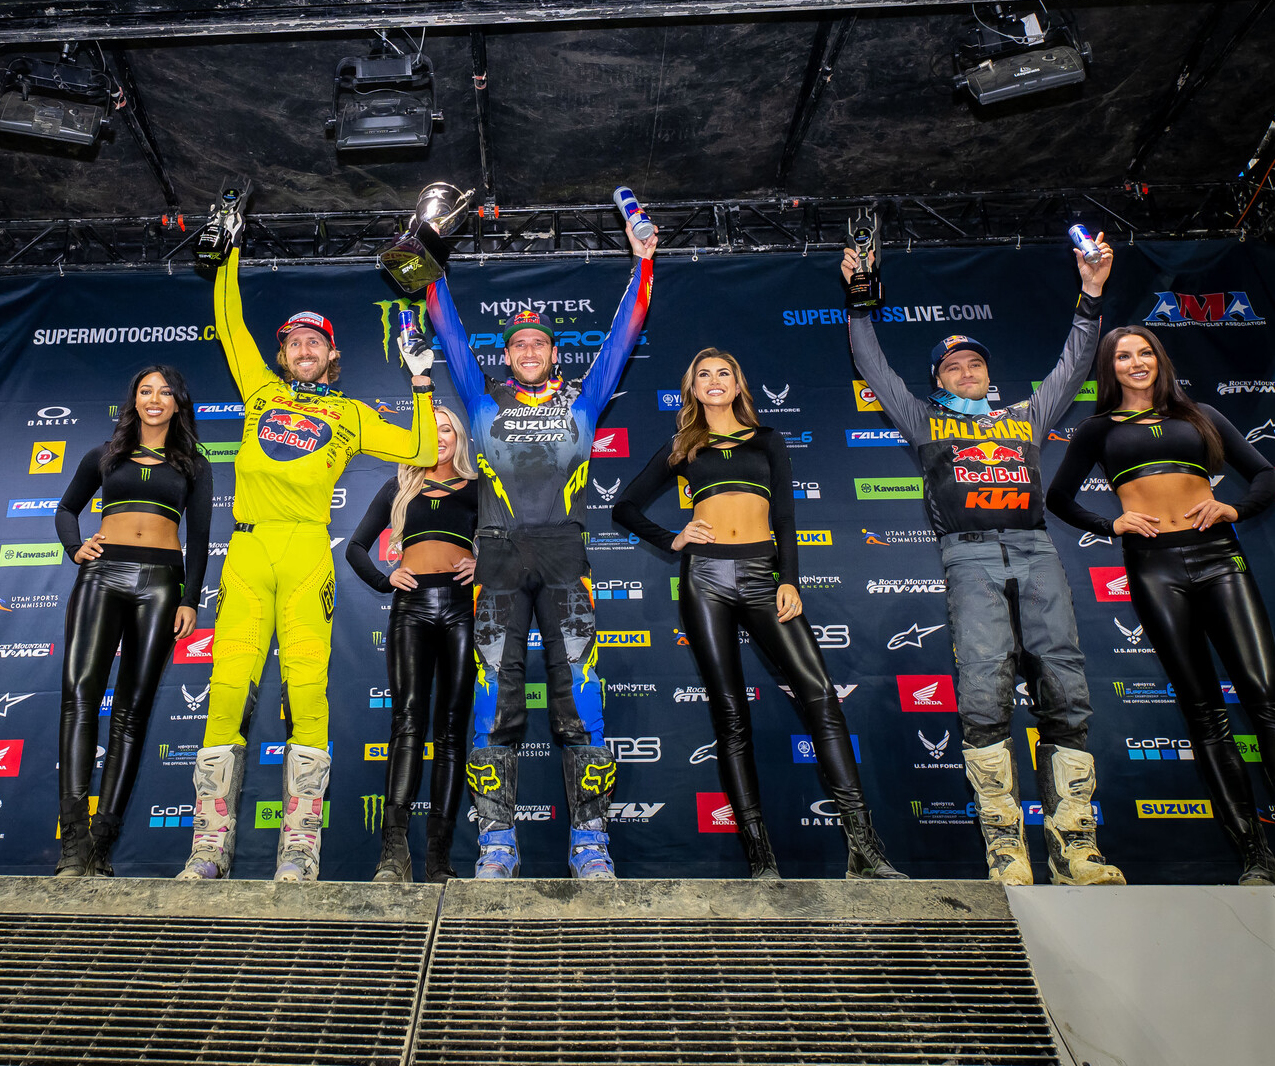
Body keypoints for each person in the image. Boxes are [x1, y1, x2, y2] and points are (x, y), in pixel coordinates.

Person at [836, 234, 1126, 887]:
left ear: (988, 375)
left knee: (1066, 690)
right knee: (985, 695)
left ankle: (1075, 844)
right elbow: (870, 363)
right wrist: (859, 299)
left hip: (1035, 548)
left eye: (975, 365)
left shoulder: (1026, 416)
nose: (967, 373)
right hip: (967, 557)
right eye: (953, 368)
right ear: (936, 381)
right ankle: (1005, 848)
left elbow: (1075, 365)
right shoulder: (922, 420)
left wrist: (1092, 295)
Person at [1047, 325, 1275, 887]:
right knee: (1204, 713)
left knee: (1267, 699)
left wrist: (1234, 511)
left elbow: (1264, 475)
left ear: (1159, 360)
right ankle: (1254, 858)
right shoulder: (1097, 429)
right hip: (1153, 568)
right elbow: (1057, 498)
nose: (1136, 363)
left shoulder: (1201, 415)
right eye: (1122, 356)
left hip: (1219, 560)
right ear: (1109, 369)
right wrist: (1109, 523)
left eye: (1144, 353)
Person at [178, 233, 438, 883]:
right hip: (247, 548)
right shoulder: (259, 391)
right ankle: (208, 850)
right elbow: (228, 320)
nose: (303, 348)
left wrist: (422, 381)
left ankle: (299, 852)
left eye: (314, 341)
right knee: (225, 696)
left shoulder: (350, 414)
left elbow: (423, 449)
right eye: (294, 340)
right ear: (282, 352)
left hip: (305, 556)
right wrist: (229, 251)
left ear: (331, 356)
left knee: (309, 697)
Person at [614, 348, 904, 881]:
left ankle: (864, 850)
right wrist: (672, 537)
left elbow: (787, 517)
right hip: (704, 580)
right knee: (730, 716)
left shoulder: (768, 439)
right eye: (703, 374)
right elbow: (623, 506)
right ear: (693, 390)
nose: (714, 380)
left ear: (738, 383)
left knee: (821, 697)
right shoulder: (683, 445)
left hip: (761, 576)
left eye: (723, 371)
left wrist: (789, 578)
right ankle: (760, 861)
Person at [424, 215, 656, 880]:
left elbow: (624, 333)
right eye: (518, 342)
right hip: (495, 555)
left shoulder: (585, 397)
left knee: (580, 700)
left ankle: (591, 843)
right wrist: (433, 258)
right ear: (507, 355)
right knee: (495, 697)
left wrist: (642, 262)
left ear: (556, 354)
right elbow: (447, 329)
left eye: (540, 343)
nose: (529, 349)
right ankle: (496, 843)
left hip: (563, 555)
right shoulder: (480, 395)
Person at [53, 365, 213, 879]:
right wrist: (77, 548)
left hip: (162, 586)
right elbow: (66, 509)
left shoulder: (194, 464)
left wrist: (191, 599)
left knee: (132, 713)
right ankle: (72, 847)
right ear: (134, 399)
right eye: (146, 390)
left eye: (165, 392)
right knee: (80, 699)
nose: (155, 399)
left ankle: (101, 847)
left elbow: (201, 536)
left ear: (177, 403)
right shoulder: (102, 455)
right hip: (101, 577)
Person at [345, 405, 480, 884]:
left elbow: (509, 541)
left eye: (447, 428)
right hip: (411, 610)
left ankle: (438, 861)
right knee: (407, 723)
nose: (439, 436)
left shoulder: (481, 485)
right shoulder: (398, 488)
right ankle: (392, 856)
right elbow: (355, 547)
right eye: (430, 428)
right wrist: (386, 581)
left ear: (459, 437)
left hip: (465, 610)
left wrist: (482, 564)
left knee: (450, 731)